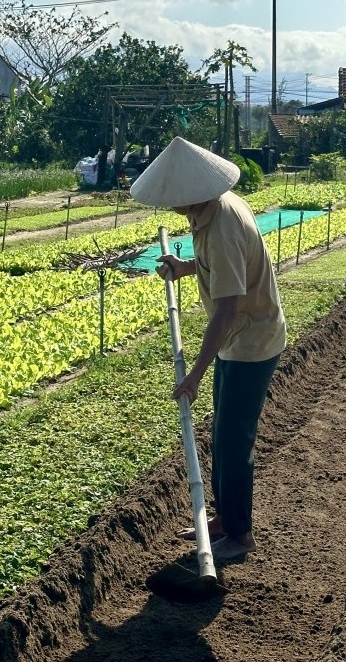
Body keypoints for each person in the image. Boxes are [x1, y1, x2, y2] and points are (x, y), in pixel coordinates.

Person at [129, 136, 286, 561]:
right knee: (221, 435)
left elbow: (226, 310)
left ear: (191, 196)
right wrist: (184, 268)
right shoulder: (216, 208)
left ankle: (240, 536)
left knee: (234, 442)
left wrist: (194, 374)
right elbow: (220, 267)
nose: (171, 206)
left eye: (174, 199)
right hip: (237, 341)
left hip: (251, 341)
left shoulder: (222, 225)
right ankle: (223, 518)